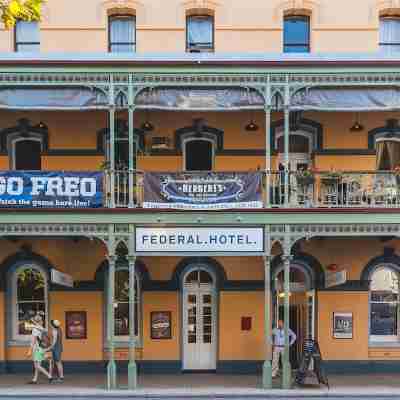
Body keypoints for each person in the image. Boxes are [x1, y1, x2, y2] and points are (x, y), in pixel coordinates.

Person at [26, 314, 52, 384]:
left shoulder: (35, 329)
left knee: (37, 366)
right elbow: (36, 324)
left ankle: (49, 376)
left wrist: (29, 351)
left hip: (36, 349)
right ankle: (35, 379)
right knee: (37, 365)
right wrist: (34, 321)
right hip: (41, 348)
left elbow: (33, 341)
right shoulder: (41, 328)